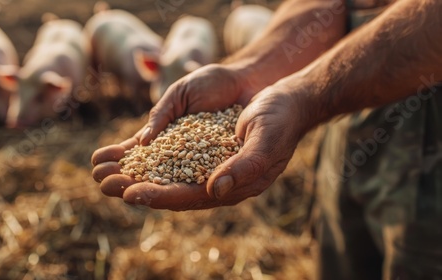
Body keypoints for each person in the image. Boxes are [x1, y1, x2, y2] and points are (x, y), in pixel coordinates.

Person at [92, 0, 442, 279]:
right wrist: (248, 72)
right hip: (348, 101)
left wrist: (305, 93)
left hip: (431, 141)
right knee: (341, 256)